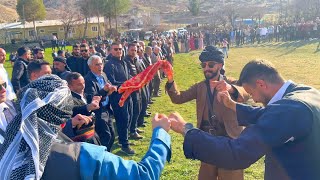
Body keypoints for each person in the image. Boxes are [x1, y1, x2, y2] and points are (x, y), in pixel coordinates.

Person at [169, 59, 320, 180]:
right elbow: (269, 114)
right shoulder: (306, 92)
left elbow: (237, 152)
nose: (253, 98)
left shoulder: (288, 110)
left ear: (261, 84)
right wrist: (234, 106)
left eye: (251, 92)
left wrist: (186, 129)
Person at [0, 75, 172, 180]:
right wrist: (160, 133)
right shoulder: (83, 156)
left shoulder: (8, 156)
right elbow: (143, 175)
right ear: (63, 115)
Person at [165, 45, 248, 180]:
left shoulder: (231, 83)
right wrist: (170, 80)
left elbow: (245, 93)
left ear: (220, 65)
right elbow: (178, 98)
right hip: (207, 142)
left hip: (230, 143)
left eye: (211, 64)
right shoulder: (200, 87)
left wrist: (231, 89)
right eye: (203, 65)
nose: (206, 68)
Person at [104, 42, 135, 155]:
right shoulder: (109, 64)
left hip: (128, 94)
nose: (118, 51)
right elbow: (112, 82)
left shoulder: (124, 63)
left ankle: (124, 139)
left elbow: (128, 77)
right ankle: (124, 145)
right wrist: (128, 83)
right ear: (111, 51)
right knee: (122, 119)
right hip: (118, 97)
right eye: (116, 49)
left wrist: (135, 81)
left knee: (129, 117)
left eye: (120, 49)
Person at [84, 55, 117, 151]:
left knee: (112, 135)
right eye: (97, 65)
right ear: (90, 67)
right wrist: (104, 91)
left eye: (101, 64)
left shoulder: (103, 75)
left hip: (107, 109)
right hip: (99, 112)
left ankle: (107, 154)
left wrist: (112, 88)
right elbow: (91, 97)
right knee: (106, 136)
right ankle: (103, 158)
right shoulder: (88, 79)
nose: (100, 67)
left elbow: (108, 84)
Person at [64, 72, 102, 145]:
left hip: (92, 133)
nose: (83, 86)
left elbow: (92, 98)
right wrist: (88, 107)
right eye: (79, 84)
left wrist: (103, 93)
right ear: (70, 86)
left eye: (83, 83)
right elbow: (74, 110)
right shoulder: (68, 98)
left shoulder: (82, 94)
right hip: (81, 138)